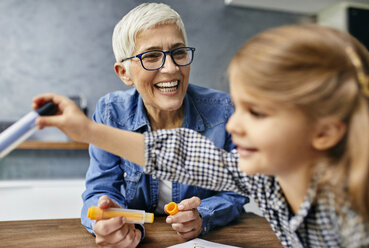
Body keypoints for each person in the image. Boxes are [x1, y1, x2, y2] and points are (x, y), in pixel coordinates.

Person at [33, 24, 369, 247]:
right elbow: (183, 156)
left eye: (256, 113)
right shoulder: (264, 182)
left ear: (324, 132)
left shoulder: (349, 217)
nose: (233, 125)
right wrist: (87, 130)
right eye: (238, 108)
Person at [69, 2, 248, 247]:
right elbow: (100, 190)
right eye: (151, 56)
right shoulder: (111, 112)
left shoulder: (223, 109)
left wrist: (203, 215)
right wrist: (105, 222)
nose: (171, 68)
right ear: (124, 73)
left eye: (179, 52)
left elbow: (238, 190)